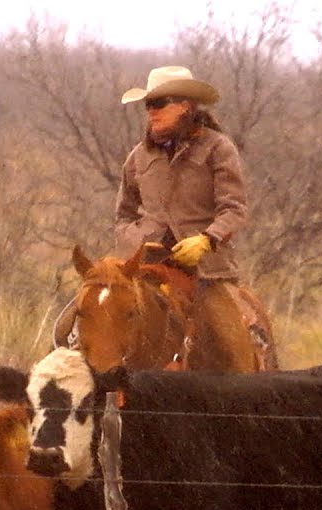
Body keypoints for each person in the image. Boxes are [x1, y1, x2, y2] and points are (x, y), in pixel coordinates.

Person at [113, 65, 276, 370]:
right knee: (95, 324)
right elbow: (123, 213)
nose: (151, 112)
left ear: (185, 106)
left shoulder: (218, 148)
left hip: (206, 272)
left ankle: (250, 387)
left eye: (160, 104)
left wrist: (207, 239)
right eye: (148, 105)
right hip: (147, 267)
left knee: (233, 344)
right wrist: (134, 242)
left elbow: (234, 208)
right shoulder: (138, 156)